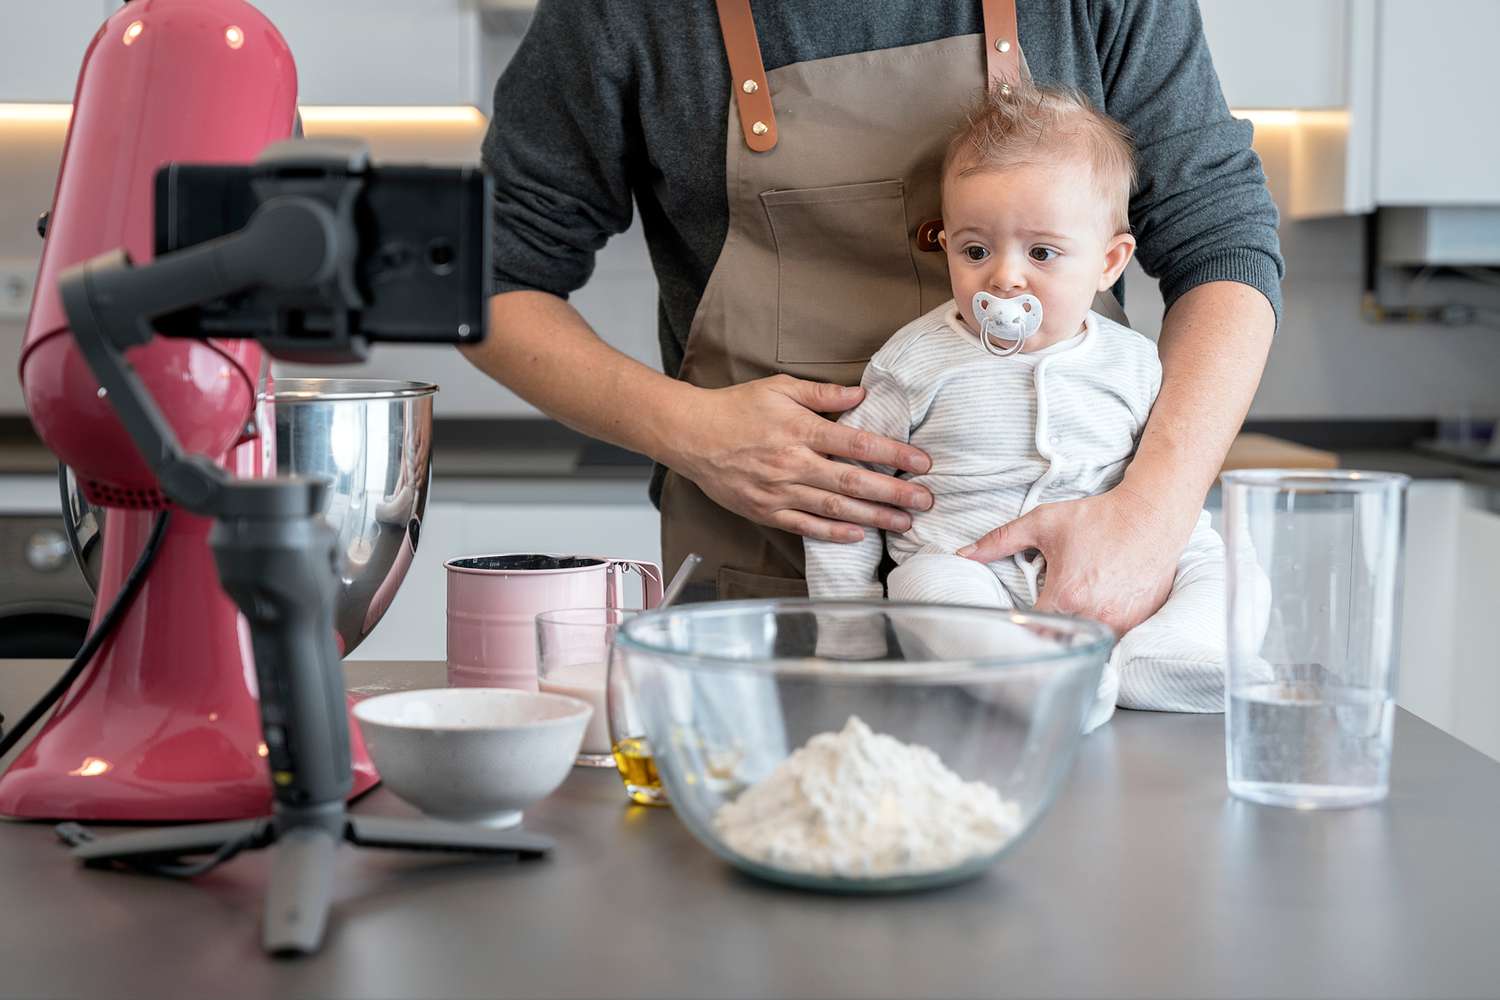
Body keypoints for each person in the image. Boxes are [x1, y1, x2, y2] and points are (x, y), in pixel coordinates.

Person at [463, 0, 1283, 632]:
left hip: (1067, 587)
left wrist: (1150, 517)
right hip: (761, 601)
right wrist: (689, 429)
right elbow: (485, 280)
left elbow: (1225, 241)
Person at [805, 83, 1228, 730]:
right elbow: (845, 498)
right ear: (945, 244)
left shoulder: (1137, 362)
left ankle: (1169, 655)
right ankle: (1032, 679)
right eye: (975, 251)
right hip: (977, 581)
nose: (1004, 278)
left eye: (1042, 253)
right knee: (923, 585)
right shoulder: (914, 362)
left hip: (1120, 573)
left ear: (1109, 263)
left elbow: (1169, 480)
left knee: (1215, 551)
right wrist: (848, 643)